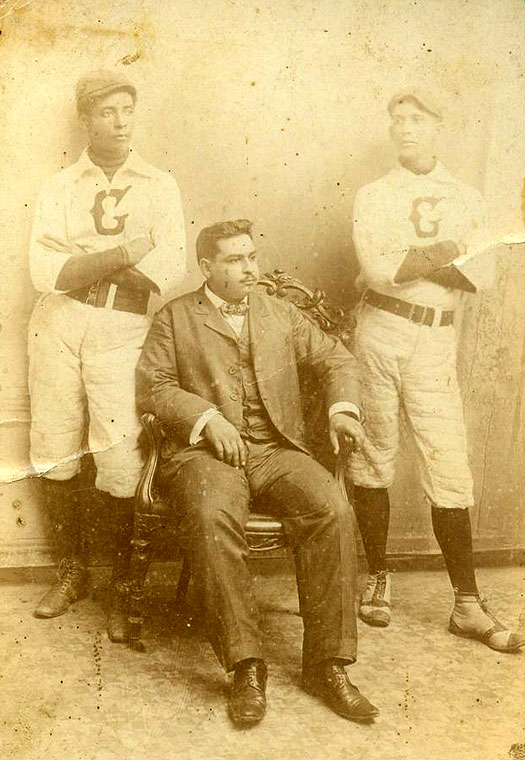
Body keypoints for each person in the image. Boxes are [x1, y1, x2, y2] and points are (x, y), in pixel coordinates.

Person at [136, 219, 379, 726]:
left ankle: (327, 665)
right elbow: (154, 386)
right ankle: (246, 666)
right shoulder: (175, 317)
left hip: (274, 448)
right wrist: (205, 419)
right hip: (206, 453)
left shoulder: (280, 313)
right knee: (209, 517)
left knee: (332, 509)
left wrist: (342, 411)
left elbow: (339, 360)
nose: (251, 268)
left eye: (252, 256)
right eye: (235, 260)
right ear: (207, 267)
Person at [348, 88, 524, 653]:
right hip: (379, 330)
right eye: (397, 119)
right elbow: (376, 270)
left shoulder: (467, 198)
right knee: (373, 453)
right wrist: (448, 253)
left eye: (417, 119)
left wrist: (414, 260)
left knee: (448, 460)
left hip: (434, 339)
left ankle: (466, 603)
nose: (405, 129)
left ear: (439, 127)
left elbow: (484, 277)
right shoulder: (375, 195)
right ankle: (377, 577)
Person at [28, 69, 187, 640]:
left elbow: (164, 272)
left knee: (120, 460)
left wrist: (90, 262)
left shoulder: (159, 184)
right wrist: (125, 251)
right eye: (106, 113)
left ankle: (124, 585)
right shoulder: (60, 186)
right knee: (54, 448)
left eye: (127, 111)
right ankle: (73, 573)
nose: (119, 123)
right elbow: (48, 272)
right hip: (58, 322)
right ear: (86, 119)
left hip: (124, 327)